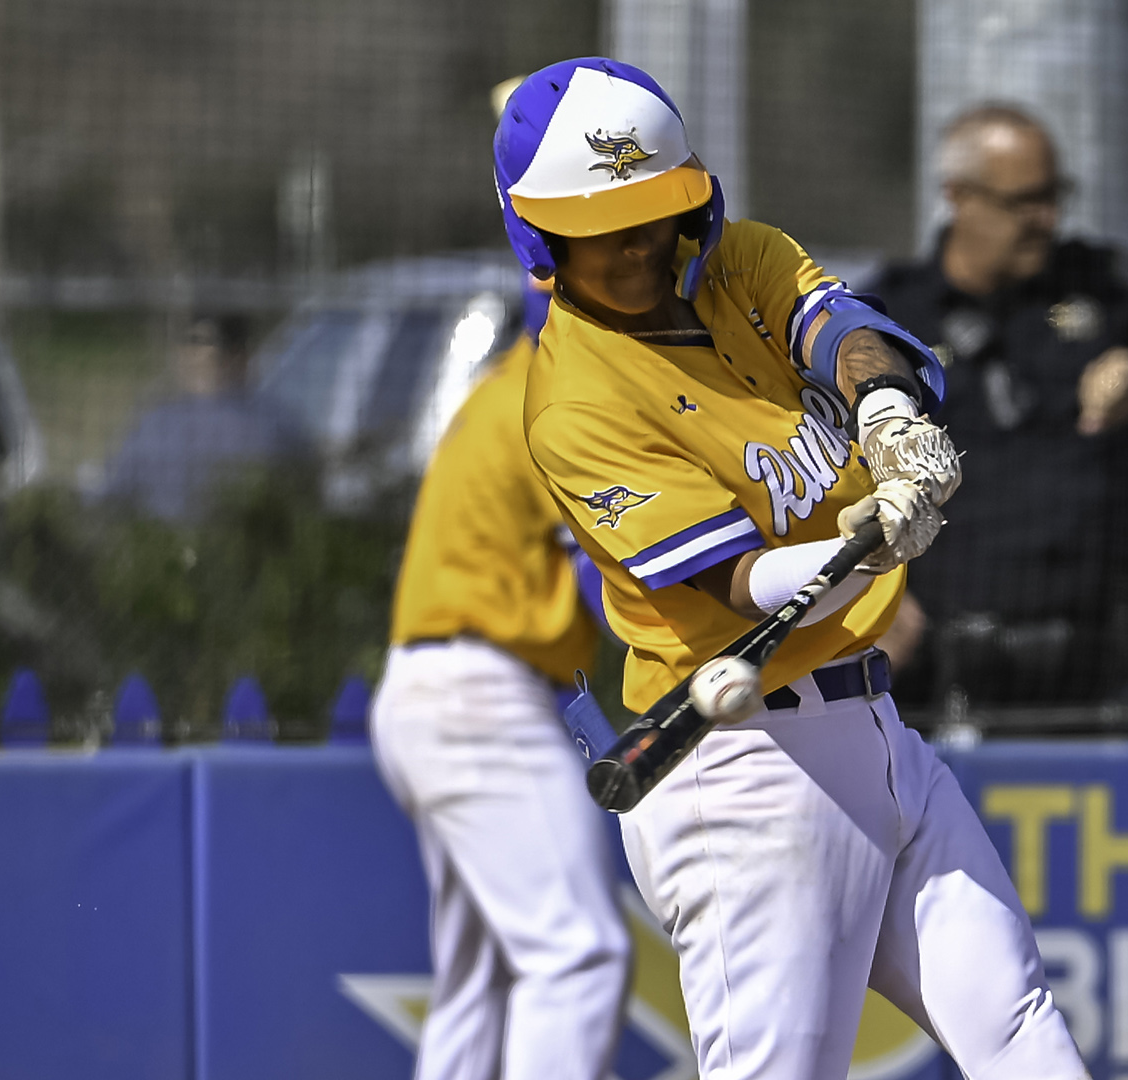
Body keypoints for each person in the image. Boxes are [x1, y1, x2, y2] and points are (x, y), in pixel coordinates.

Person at [502, 58, 1086, 1078]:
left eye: (652, 217)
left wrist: (888, 415)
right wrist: (863, 546)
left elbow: (844, 332)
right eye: (603, 232)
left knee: (1018, 1028)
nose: (636, 248)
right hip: (745, 773)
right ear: (544, 240)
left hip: (876, 728)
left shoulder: (740, 262)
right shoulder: (575, 401)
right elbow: (737, 588)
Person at [365, 81, 630, 1080]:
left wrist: (528, 173)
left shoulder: (516, 381)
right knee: (579, 957)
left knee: (481, 978)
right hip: (481, 698)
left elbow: (547, 281)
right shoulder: (559, 401)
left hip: (431, 693)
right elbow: (606, 589)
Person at [871, 104, 1128, 705]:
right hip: (949, 667)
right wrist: (872, 594)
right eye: (1024, 202)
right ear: (959, 197)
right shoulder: (887, 315)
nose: (1047, 218)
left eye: (1054, 196)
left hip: (1102, 662)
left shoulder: (1105, 280)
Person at [100, 313, 311, 521]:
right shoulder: (156, 422)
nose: (197, 359)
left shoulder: (273, 423)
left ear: (240, 356)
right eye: (192, 345)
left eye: (214, 352)